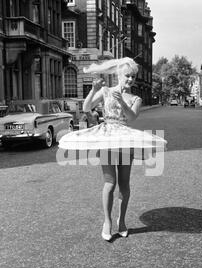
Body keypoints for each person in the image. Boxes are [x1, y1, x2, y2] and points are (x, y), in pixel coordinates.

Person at [58, 57, 167, 242]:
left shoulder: (135, 98)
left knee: (124, 183)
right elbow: (86, 108)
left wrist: (123, 101)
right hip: (107, 138)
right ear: (119, 75)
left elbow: (131, 118)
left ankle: (122, 221)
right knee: (110, 182)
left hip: (124, 139)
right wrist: (93, 90)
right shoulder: (106, 91)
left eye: (133, 77)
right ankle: (107, 222)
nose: (130, 80)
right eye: (127, 76)